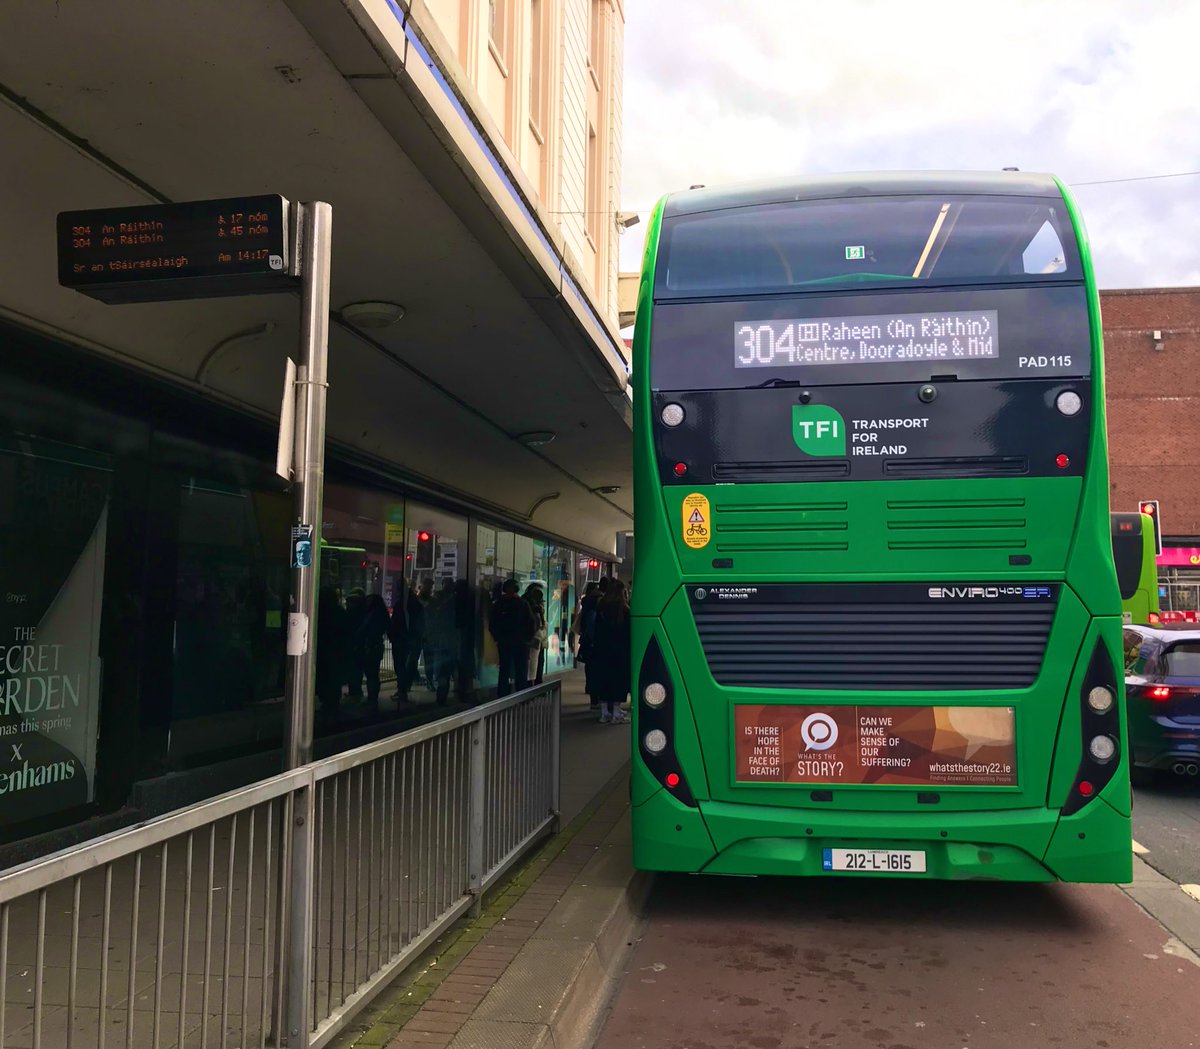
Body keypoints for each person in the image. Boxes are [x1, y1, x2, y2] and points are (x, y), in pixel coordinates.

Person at [590, 579, 631, 723]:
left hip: (602, 650)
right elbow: (627, 632)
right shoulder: (623, 609)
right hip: (619, 651)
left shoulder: (601, 606)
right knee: (618, 680)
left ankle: (604, 713)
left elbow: (596, 629)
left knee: (603, 680)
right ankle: (615, 712)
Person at [489, 578, 535, 697]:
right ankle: (521, 696)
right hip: (520, 642)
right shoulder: (522, 604)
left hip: (505, 642)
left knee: (504, 670)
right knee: (521, 670)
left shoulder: (499, 604)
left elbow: (492, 624)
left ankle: (503, 696)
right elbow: (531, 623)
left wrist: (498, 638)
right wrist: (527, 639)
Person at [575, 579, 605, 709]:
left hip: (587, 641)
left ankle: (591, 691)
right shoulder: (594, 612)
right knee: (595, 670)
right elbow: (592, 629)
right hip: (593, 643)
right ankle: (595, 697)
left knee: (590, 668)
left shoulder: (586, 605)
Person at [359, 593, 390, 708]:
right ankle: (373, 698)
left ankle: (372, 699)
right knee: (373, 674)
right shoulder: (382, 614)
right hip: (377, 646)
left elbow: (364, 629)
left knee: (371, 674)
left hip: (370, 646)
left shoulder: (372, 614)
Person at [386, 581, 410, 704]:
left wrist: (392, 636)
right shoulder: (410, 603)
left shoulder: (400, 605)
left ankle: (402, 692)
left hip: (400, 640)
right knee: (403, 667)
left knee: (400, 667)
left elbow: (395, 624)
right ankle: (403, 691)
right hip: (405, 640)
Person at [524, 583, 548, 686]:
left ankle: (538, 684)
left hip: (539, 638)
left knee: (538, 663)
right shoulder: (528, 605)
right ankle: (532, 686)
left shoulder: (536, 605)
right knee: (531, 665)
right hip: (534, 638)